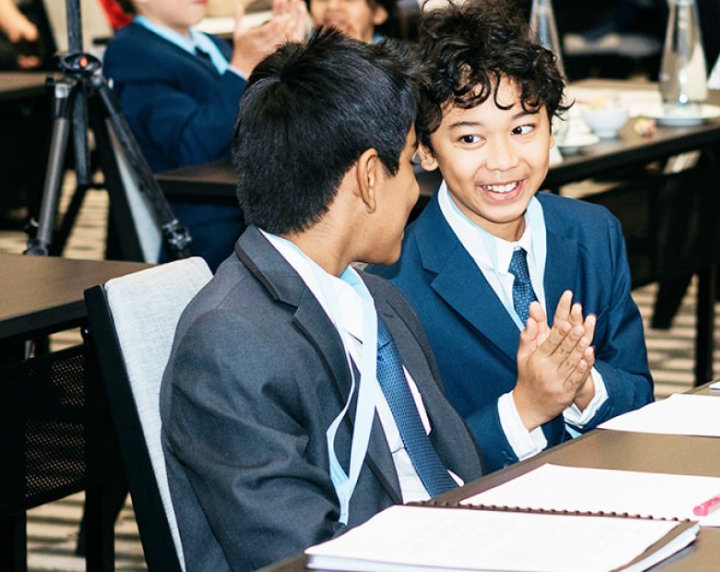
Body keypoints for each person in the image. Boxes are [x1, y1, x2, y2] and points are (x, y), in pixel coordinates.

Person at [160, 29, 483, 571]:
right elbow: (297, 554)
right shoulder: (228, 342)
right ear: (367, 178)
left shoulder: (378, 300)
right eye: (407, 163)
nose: (415, 189)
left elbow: (457, 466)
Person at [369, 0, 654, 473]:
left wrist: (583, 385)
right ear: (425, 151)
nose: (503, 161)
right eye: (469, 138)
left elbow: (641, 395)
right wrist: (526, 408)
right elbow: (417, 466)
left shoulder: (592, 232)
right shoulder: (395, 285)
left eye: (523, 128)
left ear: (551, 129)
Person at [97, 0, 306, 268]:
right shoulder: (132, 53)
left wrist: (282, 62)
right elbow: (189, 148)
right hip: (207, 227)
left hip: (249, 205)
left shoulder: (207, 41)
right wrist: (241, 68)